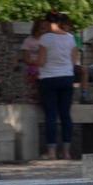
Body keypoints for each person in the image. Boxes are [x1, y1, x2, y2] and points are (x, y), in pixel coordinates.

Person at [36, 14, 79, 159]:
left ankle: (52, 152)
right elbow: (74, 61)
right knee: (66, 115)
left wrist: (34, 61)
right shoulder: (70, 38)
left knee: (51, 115)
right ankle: (66, 151)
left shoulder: (45, 38)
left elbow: (41, 61)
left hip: (48, 79)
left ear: (49, 23)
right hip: (66, 78)